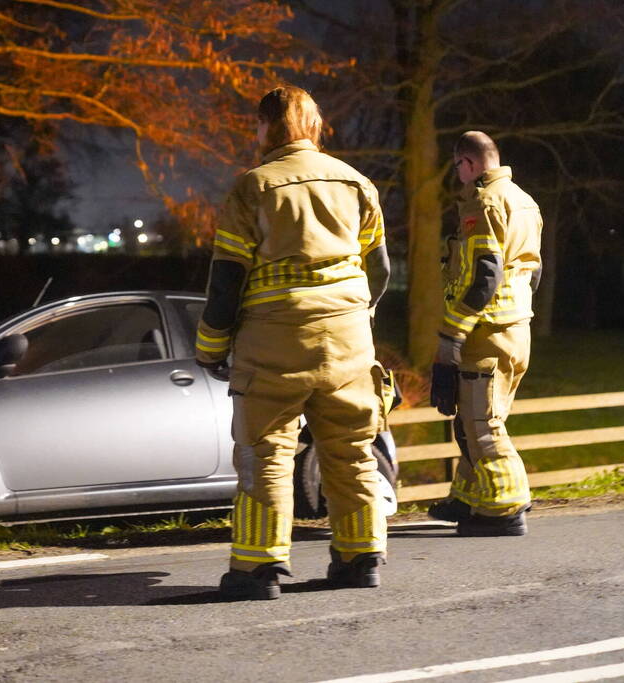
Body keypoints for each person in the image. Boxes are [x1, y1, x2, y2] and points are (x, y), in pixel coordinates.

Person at [195, 85, 392, 599]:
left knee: (268, 453)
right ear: (314, 126)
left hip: (275, 342)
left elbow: (226, 282)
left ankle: (258, 570)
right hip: (349, 340)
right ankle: (360, 557)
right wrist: (358, 316)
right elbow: (382, 267)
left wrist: (212, 348)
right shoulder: (356, 184)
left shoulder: (253, 188)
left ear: (268, 127)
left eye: (258, 125)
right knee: (352, 449)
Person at [429, 131, 543, 536]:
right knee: (475, 419)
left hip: (486, 333)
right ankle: (468, 497)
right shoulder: (524, 200)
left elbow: (485, 276)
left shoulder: (483, 202)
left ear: (469, 163)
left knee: (483, 426)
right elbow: (533, 272)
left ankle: (504, 509)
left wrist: (452, 336)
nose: (456, 173)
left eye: (457, 165)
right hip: (514, 331)